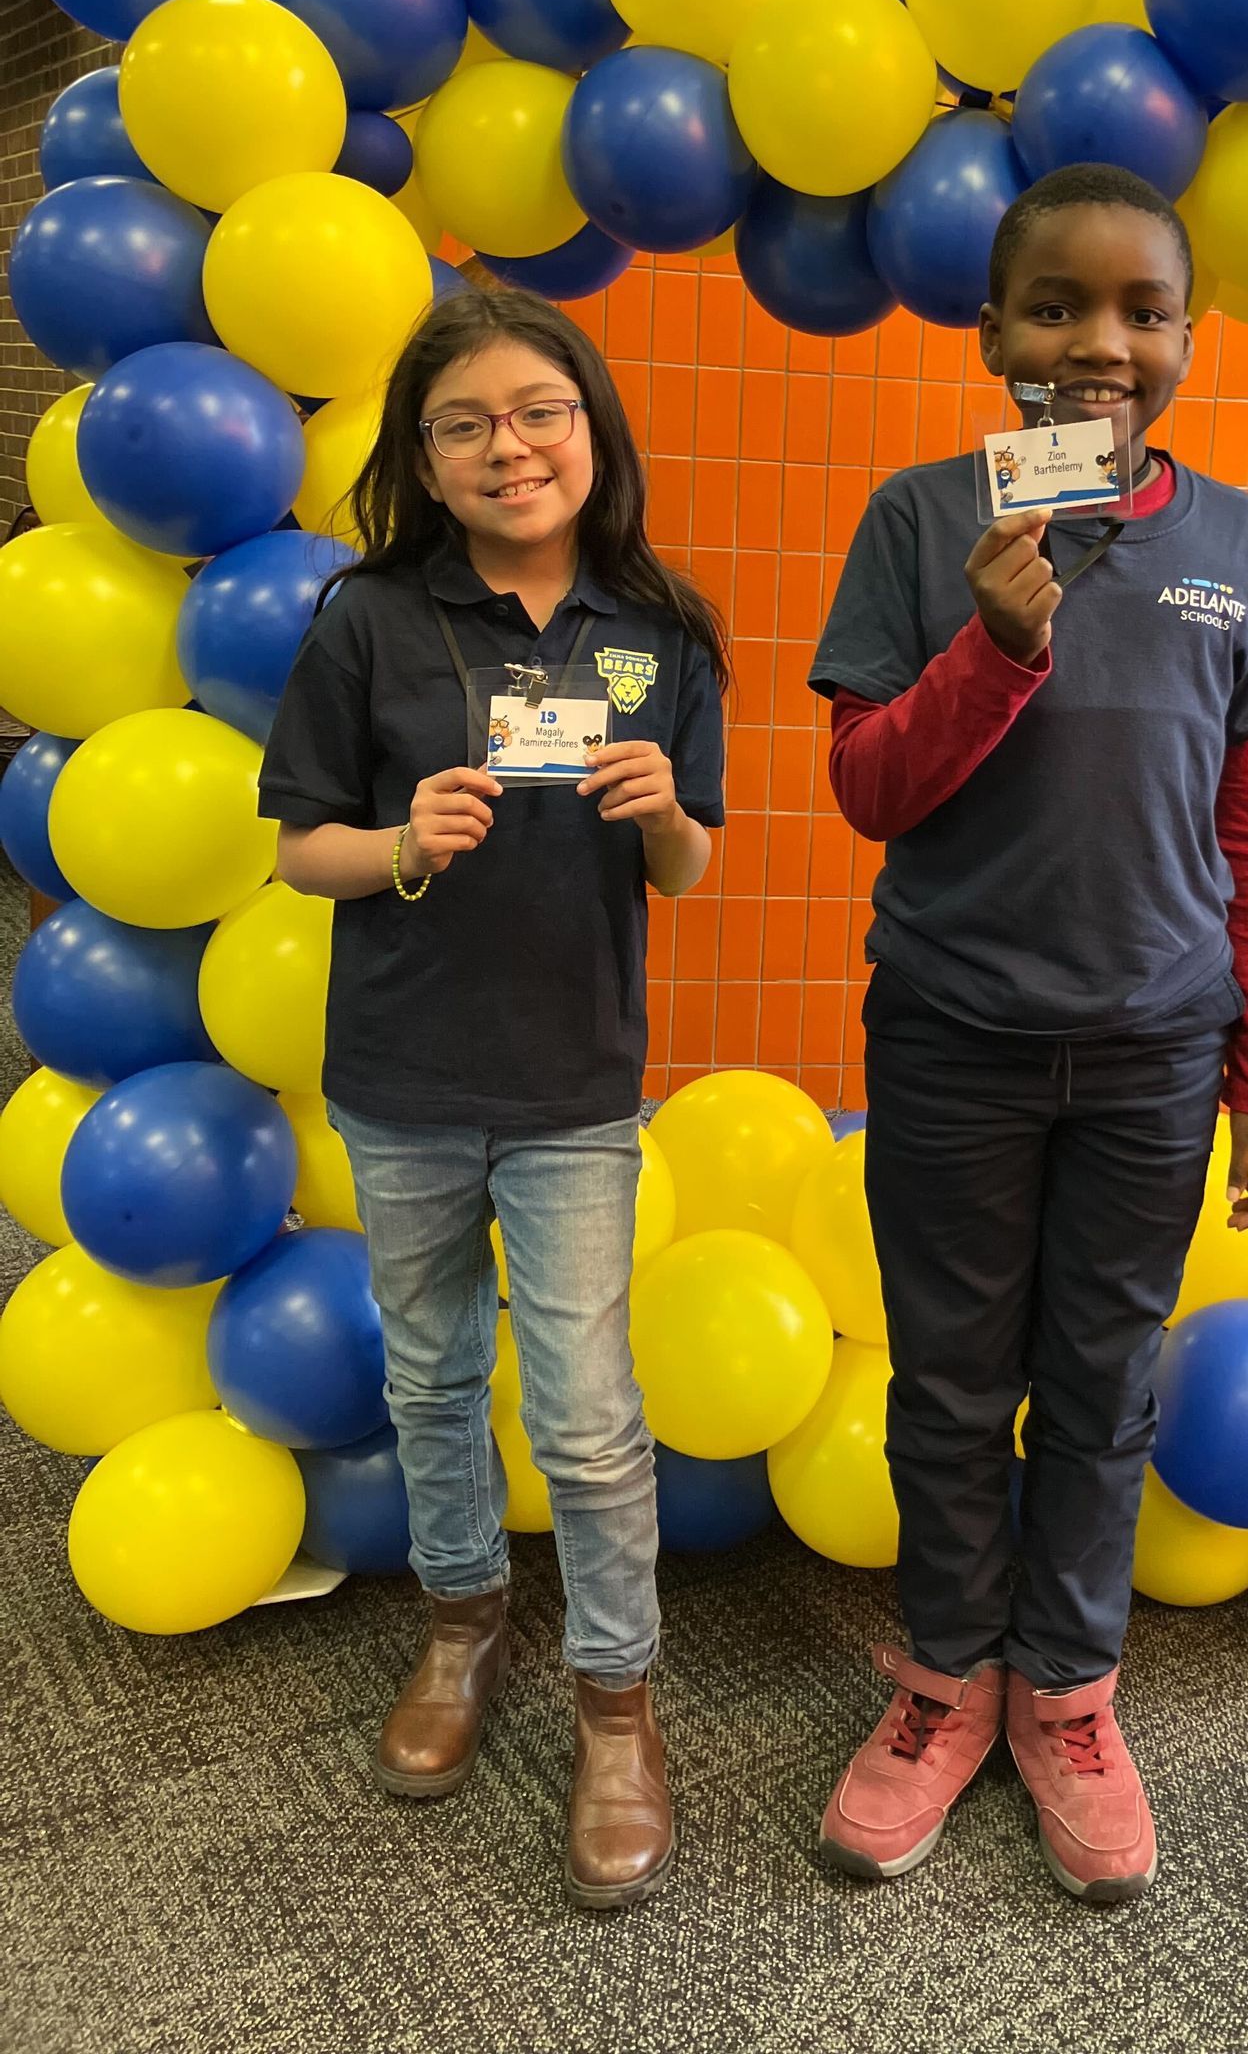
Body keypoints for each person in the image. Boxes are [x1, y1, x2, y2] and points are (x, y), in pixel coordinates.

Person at [808, 162, 1248, 1903]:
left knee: (1106, 1390)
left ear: (1188, 334)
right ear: (989, 334)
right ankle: (946, 1681)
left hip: (1161, 1052)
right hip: (953, 1035)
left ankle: (1070, 1699)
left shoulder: (1239, 548)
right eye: (1056, 308)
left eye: (1142, 311)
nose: (1100, 343)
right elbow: (869, 789)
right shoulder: (919, 519)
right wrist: (994, 647)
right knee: (951, 1387)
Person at [261, 283, 726, 1911]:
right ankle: (462, 1627)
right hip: (401, 1075)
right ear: (427, 461)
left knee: (590, 1419)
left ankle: (618, 1701)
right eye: (464, 425)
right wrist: (397, 846)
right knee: (433, 1376)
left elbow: (689, 864)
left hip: (574, 1083)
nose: (506, 445)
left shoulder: (662, 634)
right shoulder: (370, 621)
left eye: (538, 411)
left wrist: (667, 809)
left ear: (591, 430)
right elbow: (300, 842)